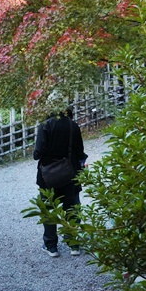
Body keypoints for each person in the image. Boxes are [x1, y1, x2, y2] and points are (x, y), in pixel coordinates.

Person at [33, 106, 88, 257]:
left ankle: (51, 246)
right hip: (70, 174)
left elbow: (38, 153)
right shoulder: (73, 125)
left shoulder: (45, 125)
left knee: (49, 208)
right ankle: (74, 244)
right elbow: (79, 151)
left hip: (48, 176)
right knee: (72, 208)